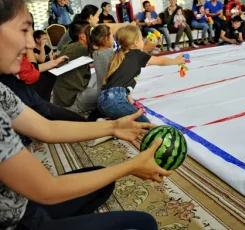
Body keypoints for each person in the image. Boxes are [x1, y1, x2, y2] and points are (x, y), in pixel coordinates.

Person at [0, 1, 172, 229]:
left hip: (23, 203)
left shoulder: (2, 90)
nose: (31, 43)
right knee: (143, 224)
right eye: (24, 30)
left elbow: (47, 128)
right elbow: (47, 190)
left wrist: (113, 127)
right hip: (16, 222)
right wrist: (132, 166)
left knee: (101, 181)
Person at [98, 24, 186, 122]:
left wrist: (130, 101)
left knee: (126, 121)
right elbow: (161, 61)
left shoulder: (119, 56)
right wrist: (177, 60)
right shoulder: (137, 54)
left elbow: (122, 84)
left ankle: (106, 121)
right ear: (136, 43)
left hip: (102, 100)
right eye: (141, 39)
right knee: (146, 125)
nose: (143, 41)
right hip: (115, 100)